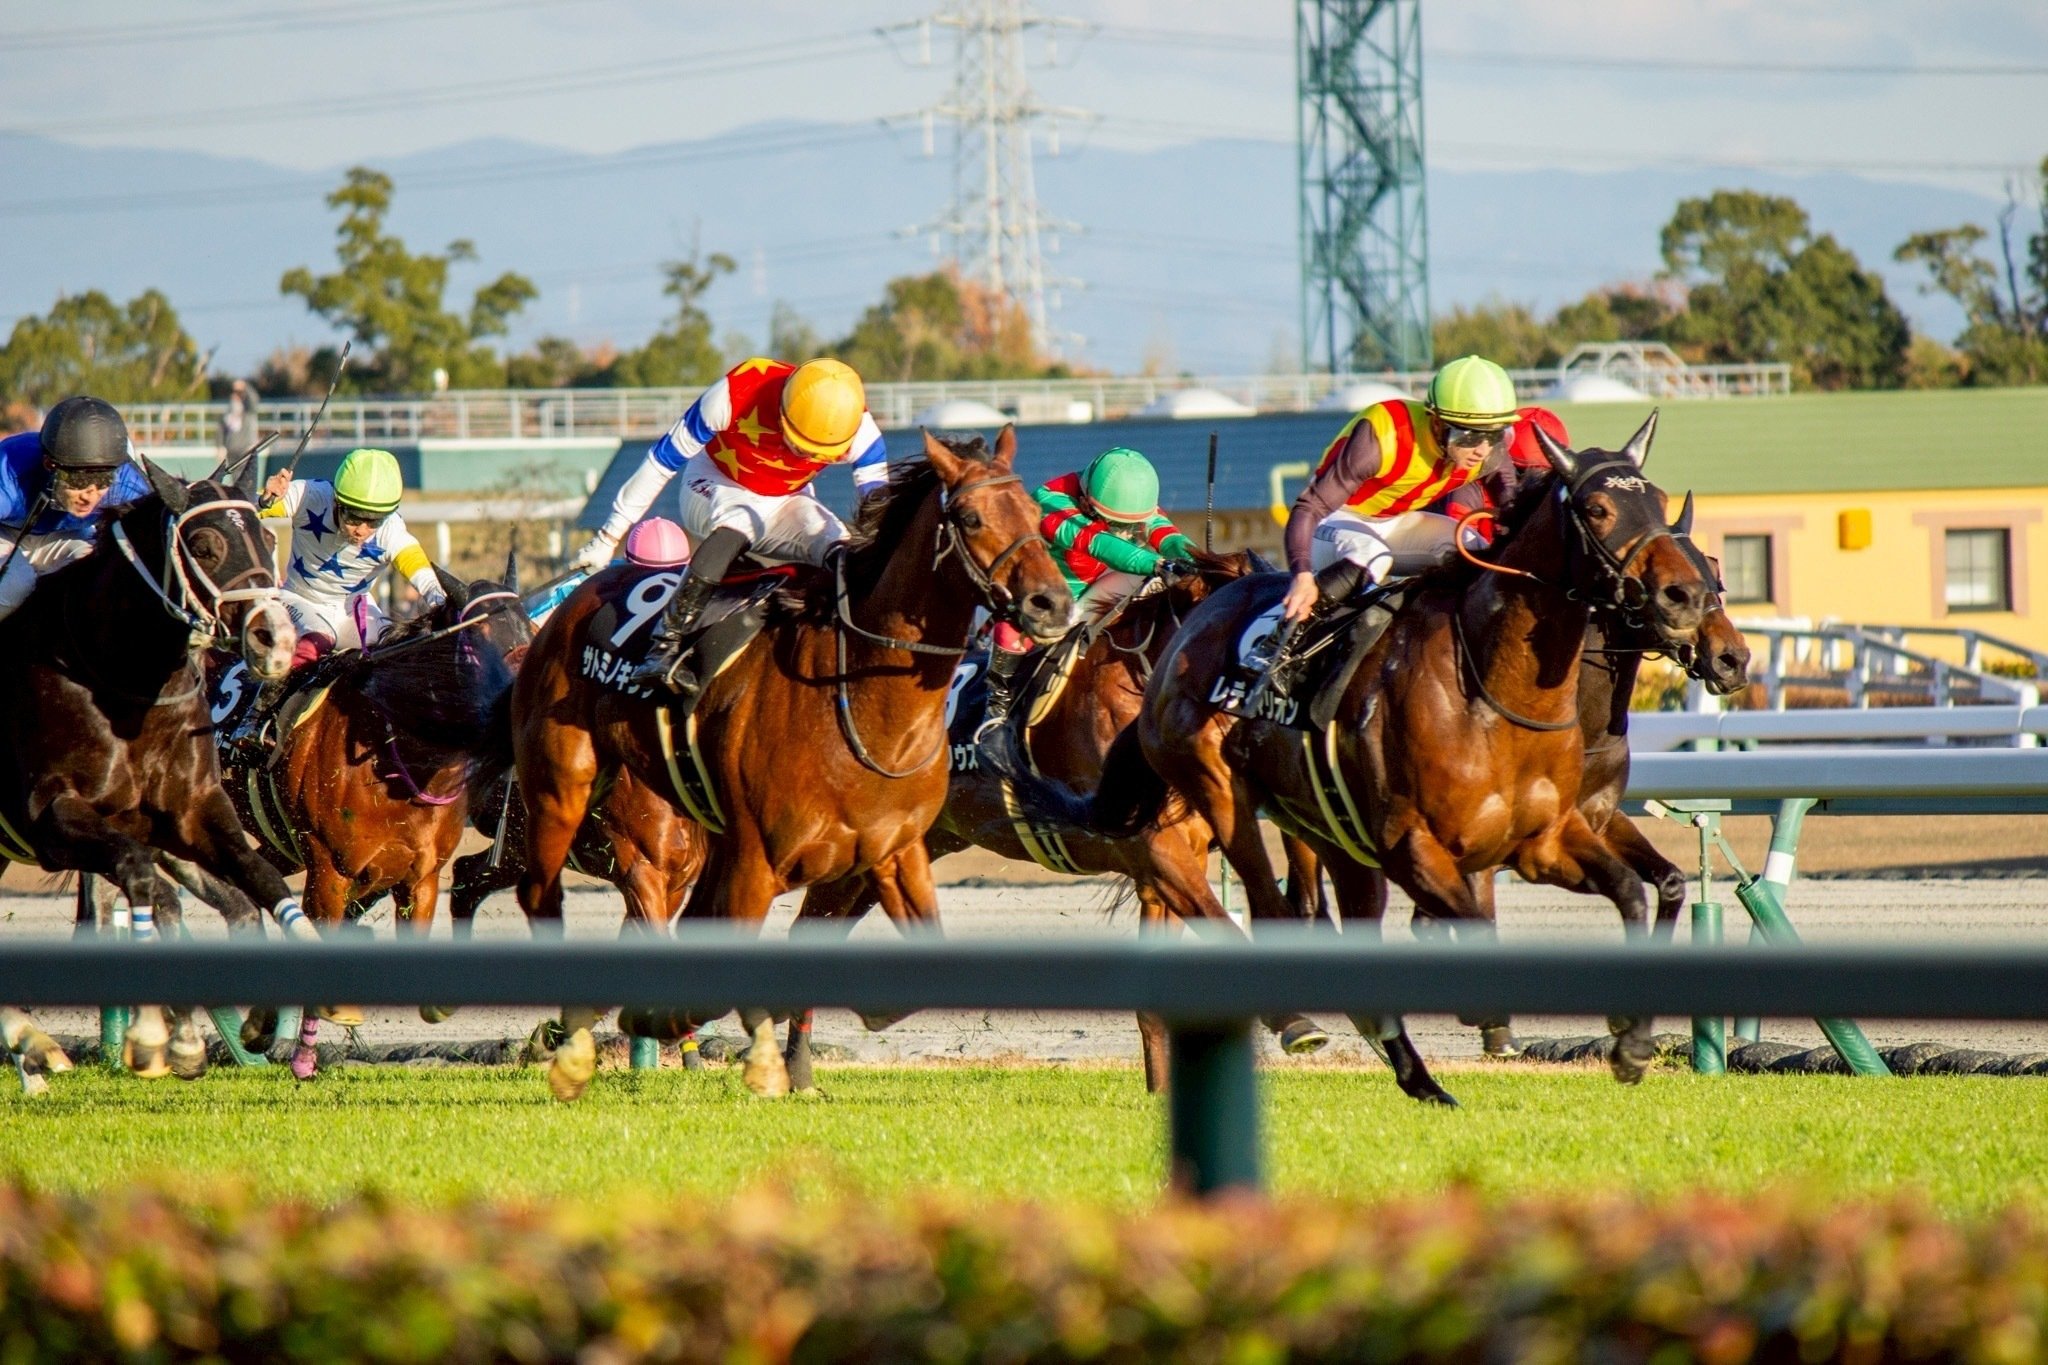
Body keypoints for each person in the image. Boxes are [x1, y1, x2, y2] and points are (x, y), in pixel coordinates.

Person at [566, 356, 885, 696]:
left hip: (788, 499)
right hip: (714, 483)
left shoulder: (860, 431)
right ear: (782, 410)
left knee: (840, 543)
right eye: (798, 444)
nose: (803, 458)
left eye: (815, 453)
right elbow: (660, 463)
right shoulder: (736, 393)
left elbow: (882, 515)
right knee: (739, 519)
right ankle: (663, 647)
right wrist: (608, 536)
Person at [1258, 355, 1519, 693]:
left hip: (1394, 523)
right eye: (1469, 437)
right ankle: (1283, 644)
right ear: (1436, 423)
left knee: (1476, 549)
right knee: (1373, 556)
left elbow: (1514, 506)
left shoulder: (1488, 449)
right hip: (1335, 520)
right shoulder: (1384, 435)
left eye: (1495, 435)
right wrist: (1302, 575)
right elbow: (1309, 507)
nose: (1482, 451)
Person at [225, 447, 446, 752]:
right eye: (355, 517)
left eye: (374, 521)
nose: (362, 531)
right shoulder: (308, 495)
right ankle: (254, 716)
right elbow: (240, 515)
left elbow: (427, 579)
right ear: (337, 501)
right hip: (297, 598)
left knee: (395, 647)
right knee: (322, 637)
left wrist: (446, 603)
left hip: (352, 608)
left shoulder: (393, 532)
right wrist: (264, 499)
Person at [983, 446, 1194, 727]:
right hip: (1041, 595)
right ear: (1085, 502)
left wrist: (1198, 559)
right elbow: (1098, 543)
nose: (1120, 531)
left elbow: (1166, 535)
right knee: (1010, 630)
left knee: (1158, 586)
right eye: (1113, 523)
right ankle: (997, 706)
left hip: (1093, 587)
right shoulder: (1048, 502)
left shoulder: (1131, 502)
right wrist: (1157, 564)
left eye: (1128, 527)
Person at [0, 395, 149, 624]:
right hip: (4, 532)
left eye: (102, 479)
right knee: (17, 582)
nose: (91, 493)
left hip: (62, 536)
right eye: (79, 480)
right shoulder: (10, 476)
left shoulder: (125, 483)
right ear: (50, 465)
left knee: (96, 574)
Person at [1431, 405, 1569, 545]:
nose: (1537, 485)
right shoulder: (1469, 490)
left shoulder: (1558, 497)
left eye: (1548, 475)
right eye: (1524, 473)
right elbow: (1460, 552)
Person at [218, 379, 260, 469]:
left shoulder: (248, 411)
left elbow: (254, 399)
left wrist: (245, 386)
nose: (235, 397)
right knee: (235, 478)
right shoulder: (228, 414)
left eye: (239, 394)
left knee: (245, 477)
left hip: (245, 449)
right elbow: (221, 430)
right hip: (232, 450)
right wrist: (220, 446)